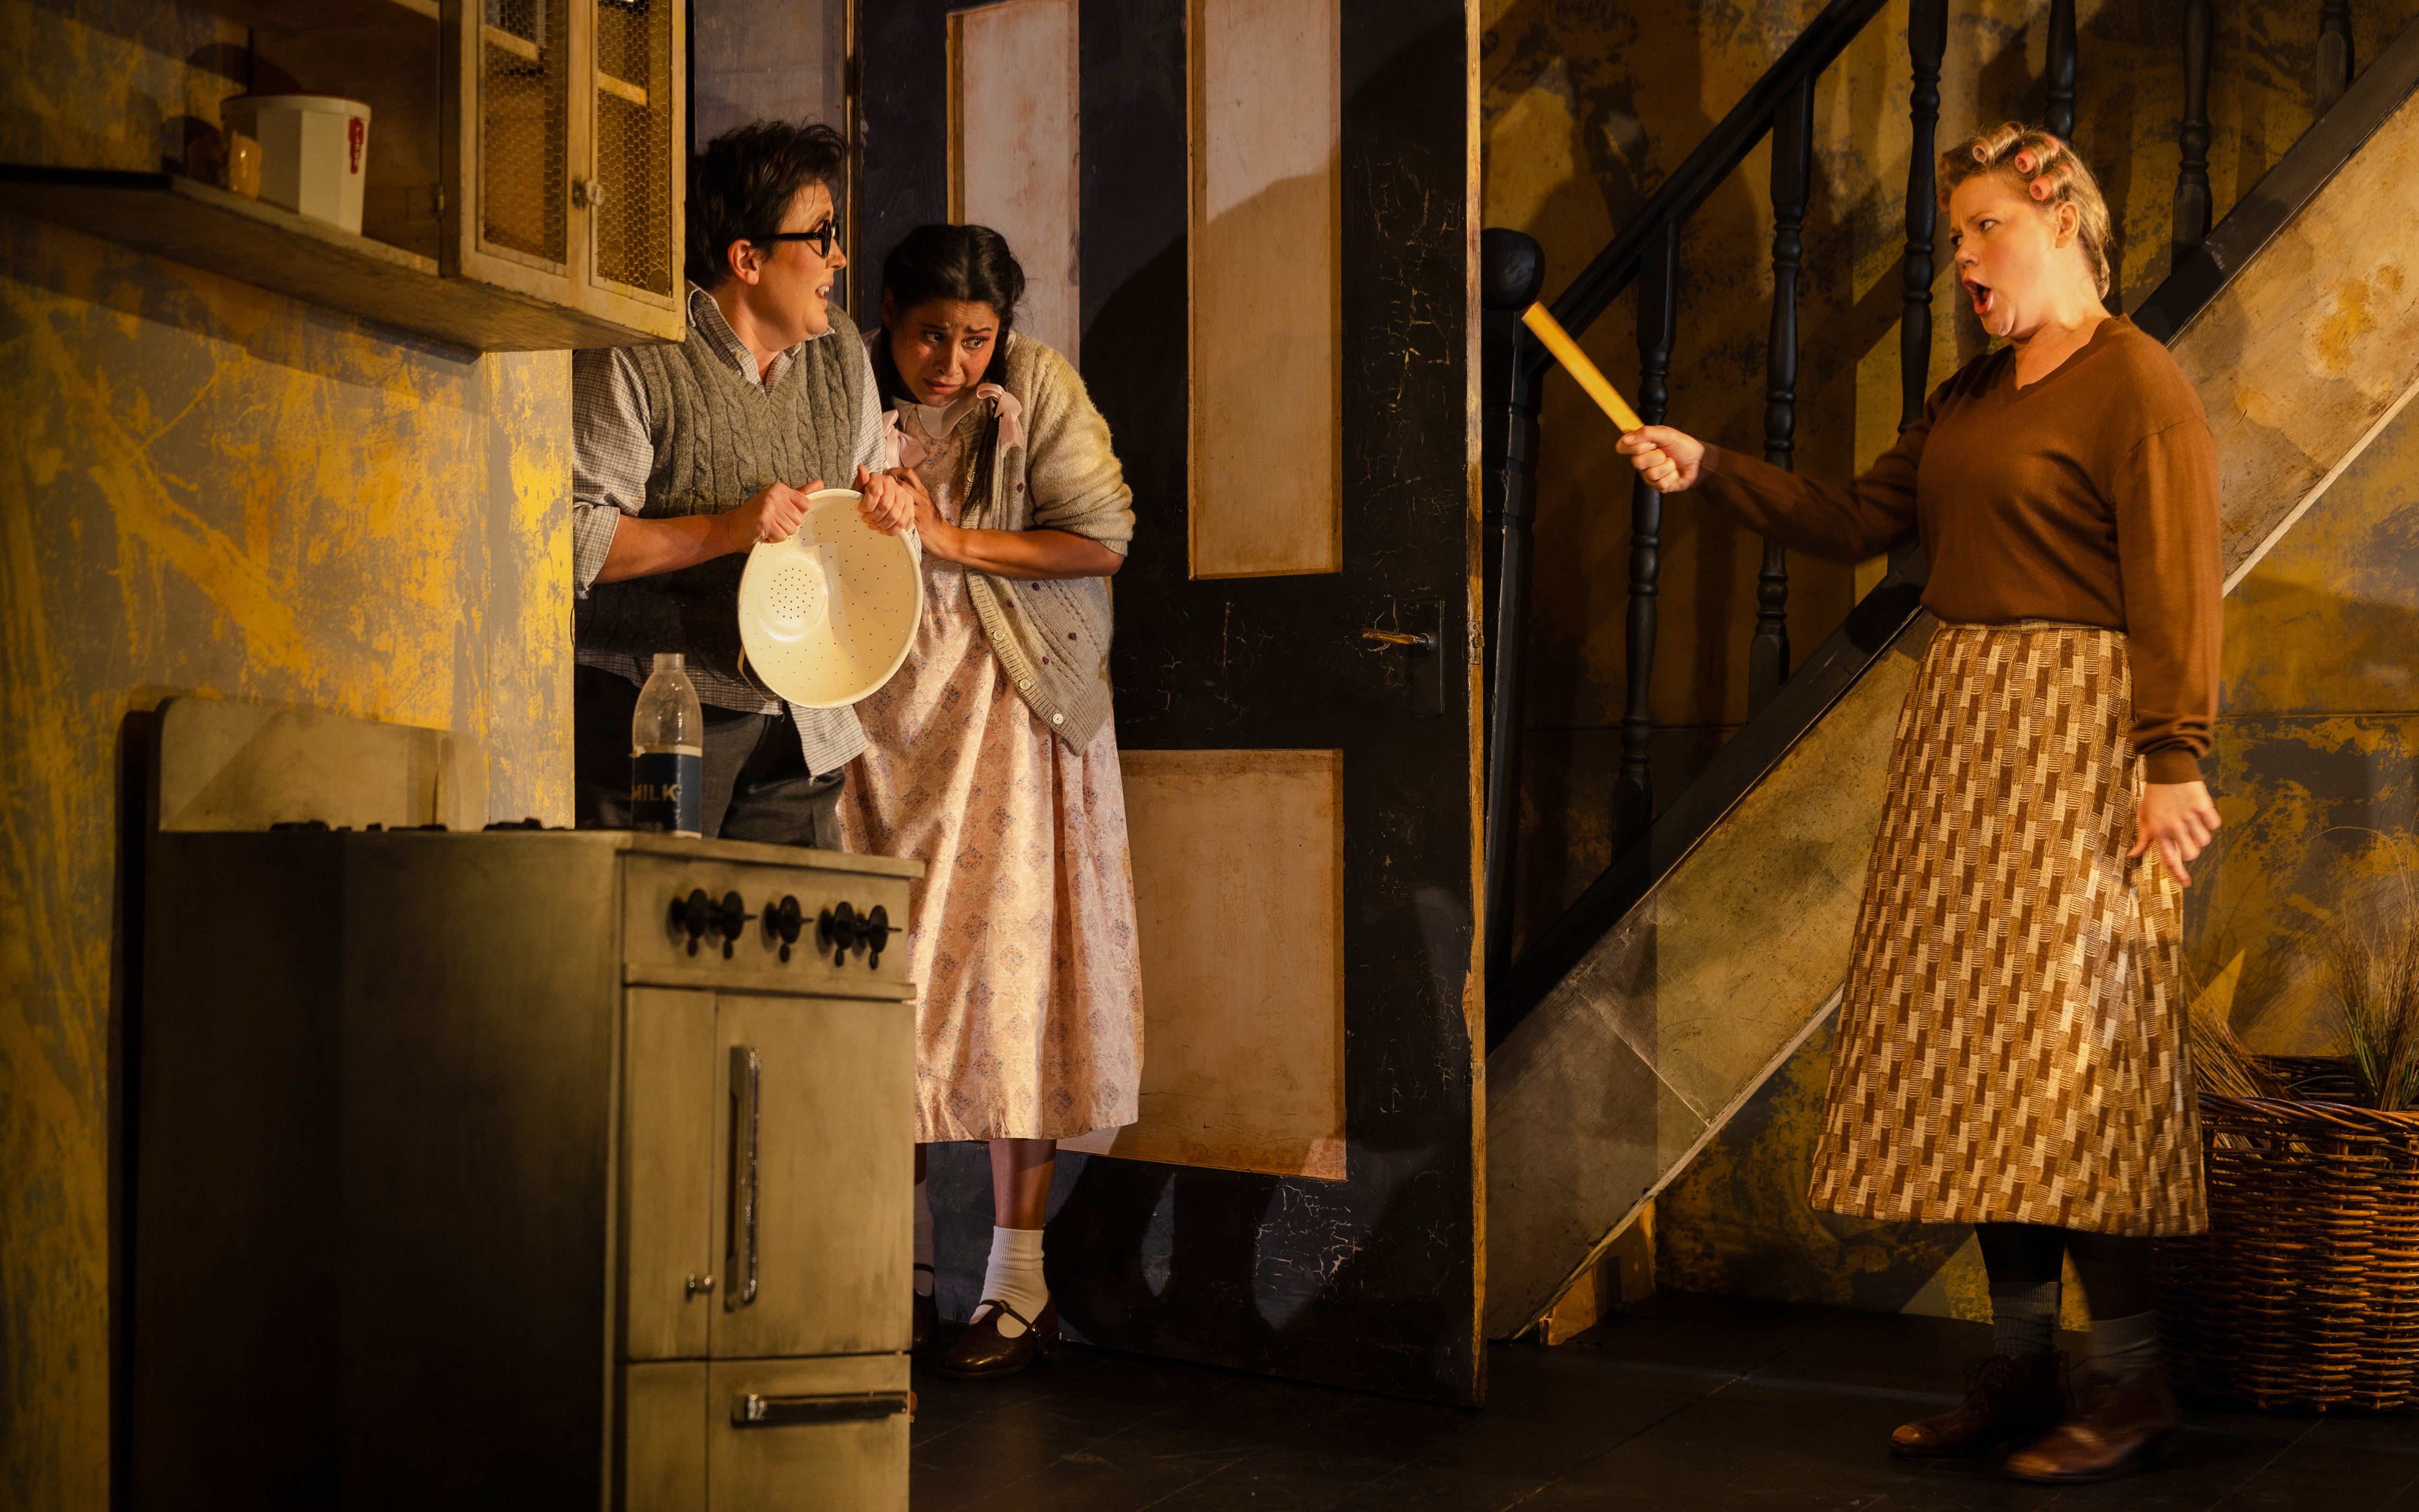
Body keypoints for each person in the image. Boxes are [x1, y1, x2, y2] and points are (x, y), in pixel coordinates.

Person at [1617, 123, 2224, 1484]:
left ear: (2059, 218)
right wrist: (1708, 466)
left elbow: (2178, 577)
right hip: (1962, 743)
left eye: (1983, 227)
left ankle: (2131, 1386)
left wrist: (2171, 758)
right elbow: (1851, 521)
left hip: (2078, 746)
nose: (1962, 257)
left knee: (2075, 1068)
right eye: (1953, 237)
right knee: (1977, 1068)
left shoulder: (2135, 384)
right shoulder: (1969, 396)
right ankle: (2022, 1368)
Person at [836, 223, 1143, 1380]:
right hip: (877, 715)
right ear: (887, 311)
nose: (951, 363)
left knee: (1015, 982)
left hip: (1009, 707)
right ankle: (897, 1273)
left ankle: (1018, 1283)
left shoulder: (1035, 385)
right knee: (889, 988)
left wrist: (948, 536)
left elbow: (1100, 542)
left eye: (974, 339)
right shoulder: (846, 382)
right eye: (930, 336)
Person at [570, 120, 912, 840]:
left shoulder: (841, 352)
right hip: (659, 713)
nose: (840, 256)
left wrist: (889, 510)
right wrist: (725, 530)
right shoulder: (642, 349)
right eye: (821, 235)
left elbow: (873, 517)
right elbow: (571, 540)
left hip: (804, 719)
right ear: (748, 259)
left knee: (799, 914)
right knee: (654, 909)